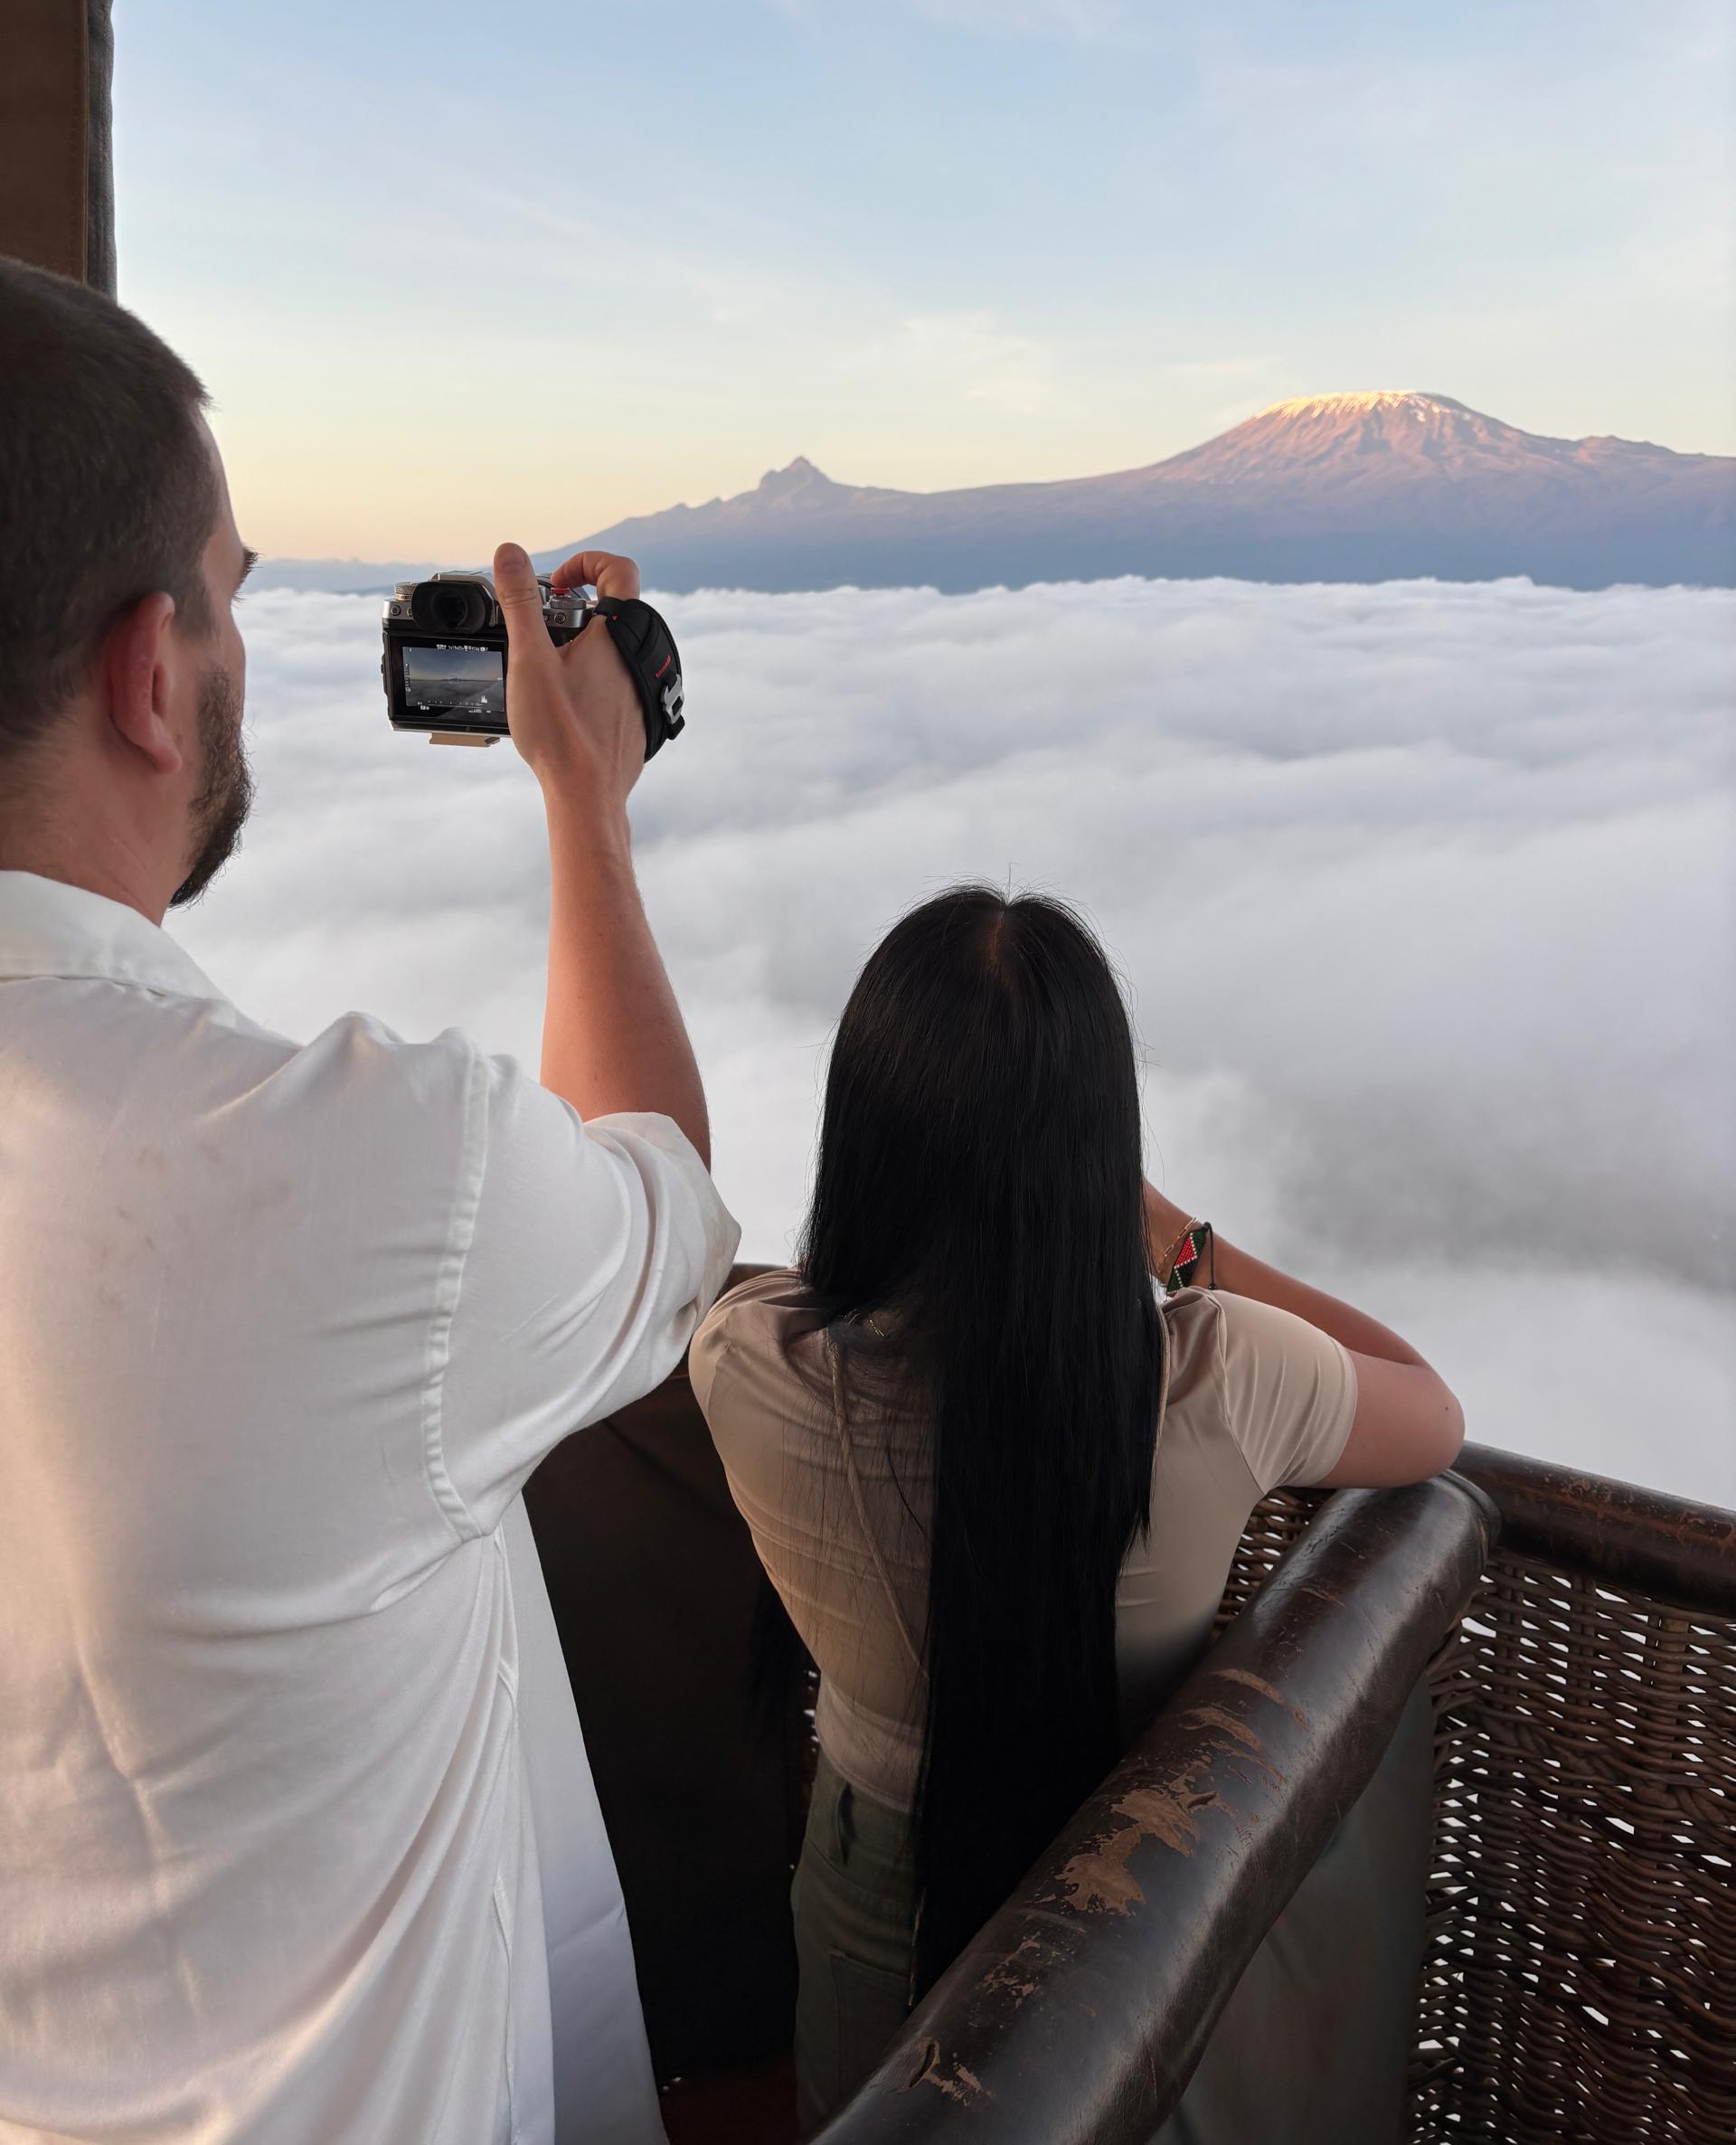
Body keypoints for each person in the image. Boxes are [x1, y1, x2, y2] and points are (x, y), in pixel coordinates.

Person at [0, 255, 739, 2145]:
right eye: (234, 595)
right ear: (147, 676)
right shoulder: (356, 1167)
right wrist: (588, 800)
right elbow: (666, 1213)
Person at [690, 885, 1465, 2133]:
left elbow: (806, 1291)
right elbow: (1431, 1411)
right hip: (1140, 1906)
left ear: (861, 1132)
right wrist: (1177, 1239)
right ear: (1100, 1149)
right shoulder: (1227, 1379)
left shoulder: (751, 1366)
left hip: (868, 1873)